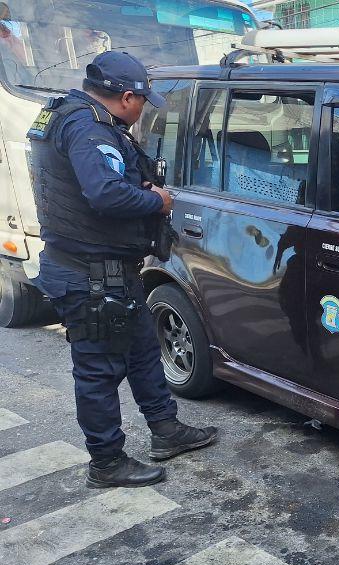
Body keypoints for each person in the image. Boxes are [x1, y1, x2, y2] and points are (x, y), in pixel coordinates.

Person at [27, 51, 217, 488]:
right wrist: (157, 201)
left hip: (107, 270)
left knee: (142, 351)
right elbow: (105, 194)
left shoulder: (69, 115)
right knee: (98, 371)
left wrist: (139, 184)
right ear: (127, 97)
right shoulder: (87, 128)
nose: (143, 110)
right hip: (89, 275)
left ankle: (166, 430)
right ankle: (107, 462)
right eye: (143, 102)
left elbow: (84, 185)